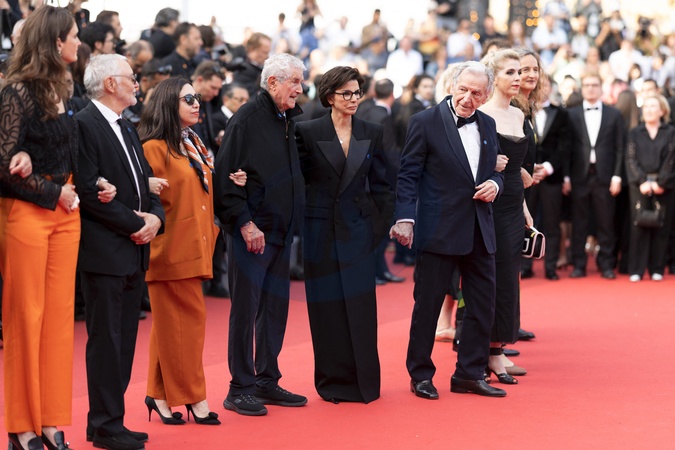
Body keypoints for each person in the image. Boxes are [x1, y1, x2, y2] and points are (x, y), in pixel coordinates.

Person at [390, 60, 506, 399]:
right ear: (452, 86)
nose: (468, 98)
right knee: (427, 306)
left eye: (476, 93)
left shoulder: (487, 124)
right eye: (463, 90)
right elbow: (408, 174)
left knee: (482, 305)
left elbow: (494, 170)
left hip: (479, 228)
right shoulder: (424, 121)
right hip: (438, 228)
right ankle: (421, 375)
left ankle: (469, 373)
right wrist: (405, 217)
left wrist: (496, 184)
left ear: (486, 95)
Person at [137, 77, 245, 426]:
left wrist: (230, 181)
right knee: (189, 324)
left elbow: (199, 188)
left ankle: (157, 393)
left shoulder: (192, 142)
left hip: (195, 244)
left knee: (170, 327)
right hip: (168, 249)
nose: (197, 103)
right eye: (188, 99)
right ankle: (194, 397)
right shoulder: (153, 147)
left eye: (196, 97)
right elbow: (142, 197)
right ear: (169, 104)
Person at [0, 6, 80, 450]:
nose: (79, 42)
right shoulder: (17, 92)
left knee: (58, 319)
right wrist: (52, 192)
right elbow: (2, 166)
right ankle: (22, 424)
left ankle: (50, 419)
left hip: (67, 212)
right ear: (55, 42)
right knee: (25, 318)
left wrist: (90, 184)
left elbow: (63, 151)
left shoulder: (64, 87)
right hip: (31, 211)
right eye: (74, 35)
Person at [75, 54, 165, 450]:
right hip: (105, 251)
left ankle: (108, 421)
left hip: (132, 250)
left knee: (124, 340)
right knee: (107, 342)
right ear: (110, 83)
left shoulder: (126, 126)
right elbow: (88, 192)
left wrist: (156, 218)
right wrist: (136, 223)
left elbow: (147, 182)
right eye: (131, 77)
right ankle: (105, 424)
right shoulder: (84, 124)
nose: (137, 83)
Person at [214, 52, 308, 416]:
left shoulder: (288, 119)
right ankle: (240, 387)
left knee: (274, 310)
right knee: (246, 310)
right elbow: (226, 177)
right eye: (295, 81)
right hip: (252, 234)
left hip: (281, 233)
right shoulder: (246, 120)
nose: (300, 88)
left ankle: (267, 380)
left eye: (301, 82)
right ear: (272, 82)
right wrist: (245, 223)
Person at [295, 66, 394, 403]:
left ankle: (364, 382)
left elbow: (382, 185)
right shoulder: (307, 131)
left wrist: (378, 229)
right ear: (329, 97)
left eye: (357, 93)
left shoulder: (372, 131)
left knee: (361, 307)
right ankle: (332, 382)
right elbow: (298, 182)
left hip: (359, 230)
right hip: (319, 231)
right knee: (326, 308)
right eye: (346, 94)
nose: (353, 99)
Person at [479, 49, 534, 384]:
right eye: (510, 72)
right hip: (489, 205)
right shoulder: (481, 114)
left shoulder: (518, 114)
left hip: (514, 203)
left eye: (520, 72)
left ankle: (497, 348)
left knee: (510, 277)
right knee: (490, 277)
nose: (518, 78)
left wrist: (525, 208)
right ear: (494, 77)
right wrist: (490, 164)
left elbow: (518, 169)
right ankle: (485, 350)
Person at [568, 72, 625, 279]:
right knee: (579, 223)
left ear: (601, 88)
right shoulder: (572, 114)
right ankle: (578, 265)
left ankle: (606, 264)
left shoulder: (614, 114)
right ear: (582, 89)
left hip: (605, 176)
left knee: (606, 222)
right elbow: (567, 149)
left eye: (594, 85)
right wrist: (566, 177)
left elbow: (620, 147)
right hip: (579, 176)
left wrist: (617, 176)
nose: (591, 88)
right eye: (587, 85)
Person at [527, 73, 572, 281]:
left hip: (551, 177)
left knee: (552, 224)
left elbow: (565, 146)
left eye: (545, 85)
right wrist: (528, 168)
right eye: (539, 84)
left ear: (551, 88)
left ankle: (551, 267)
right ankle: (524, 266)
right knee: (526, 223)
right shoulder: (522, 111)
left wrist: (547, 167)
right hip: (526, 177)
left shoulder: (561, 114)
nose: (542, 88)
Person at [625, 95, 675, 281]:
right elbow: (630, 158)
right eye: (646, 107)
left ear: (662, 111)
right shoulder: (634, 132)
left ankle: (657, 268)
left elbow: (671, 159)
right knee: (638, 225)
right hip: (639, 185)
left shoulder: (671, 132)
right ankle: (636, 269)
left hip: (665, 185)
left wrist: (660, 182)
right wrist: (642, 181)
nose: (648, 110)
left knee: (662, 225)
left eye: (653, 106)